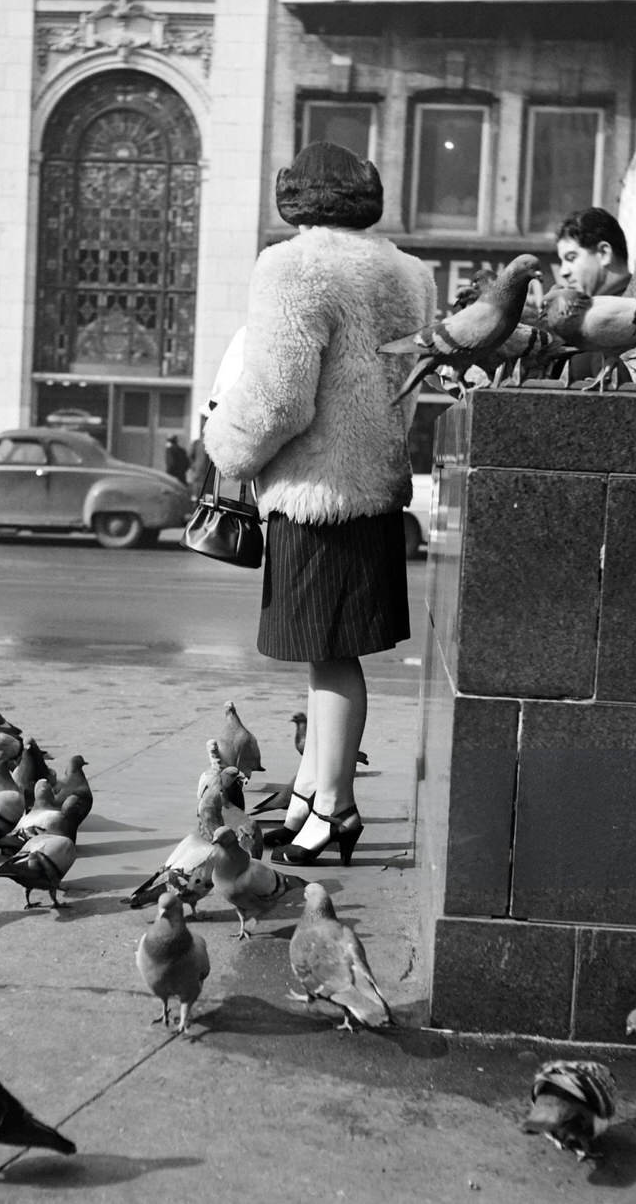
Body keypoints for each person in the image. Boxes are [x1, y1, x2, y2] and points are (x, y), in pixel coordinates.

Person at [202, 141, 436, 866]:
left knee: (330, 660)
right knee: (328, 655)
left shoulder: (293, 266)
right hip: (373, 490)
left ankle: (333, 808)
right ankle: (311, 797)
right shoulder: (408, 273)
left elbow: (277, 396)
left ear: (294, 197)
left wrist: (226, 446)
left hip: (317, 491)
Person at [554, 206, 636, 383]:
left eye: (571, 257)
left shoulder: (624, 314)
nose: (564, 271)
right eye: (562, 261)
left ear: (604, 253)